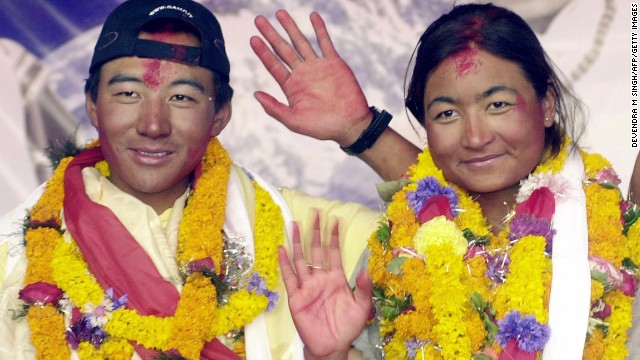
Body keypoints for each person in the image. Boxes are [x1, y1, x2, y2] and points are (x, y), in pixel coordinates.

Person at [0, 0, 391, 358]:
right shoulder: (14, 255)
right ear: (93, 106)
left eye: (181, 98)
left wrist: (362, 130)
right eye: (128, 93)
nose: (153, 124)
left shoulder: (306, 237)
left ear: (219, 115)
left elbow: (444, 220)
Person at [251, 4, 640, 359]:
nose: (475, 136)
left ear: (547, 104)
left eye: (497, 105)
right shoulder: (398, 245)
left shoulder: (612, 233)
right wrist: (330, 354)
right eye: (447, 113)